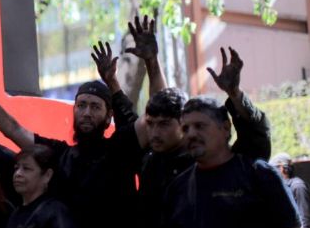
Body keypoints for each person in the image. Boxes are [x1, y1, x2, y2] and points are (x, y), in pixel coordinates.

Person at [0, 17, 164, 228]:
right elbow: (13, 129)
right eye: (81, 105)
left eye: (95, 106)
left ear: (108, 115)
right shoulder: (60, 155)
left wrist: (151, 62)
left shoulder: (120, 147)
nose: (86, 113)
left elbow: (156, 114)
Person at [96, 44, 272, 228]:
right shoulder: (150, 163)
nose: (154, 133)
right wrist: (114, 82)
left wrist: (235, 95)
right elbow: (129, 125)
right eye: (150, 124)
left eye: (164, 124)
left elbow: (256, 140)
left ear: (182, 123)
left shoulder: (209, 160)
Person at [161, 98, 300, 228]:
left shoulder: (259, 174)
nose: (191, 134)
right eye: (185, 129)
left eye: (200, 126)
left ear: (226, 128)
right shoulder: (177, 188)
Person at [6, 145, 75, 228]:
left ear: (47, 175)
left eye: (26, 168)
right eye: (16, 168)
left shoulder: (55, 211)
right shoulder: (15, 214)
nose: (17, 174)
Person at [271, 153, 310, 228]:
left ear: (282, 168)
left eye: (273, 168)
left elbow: (305, 220)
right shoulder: (282, 188)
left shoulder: (297, 186)